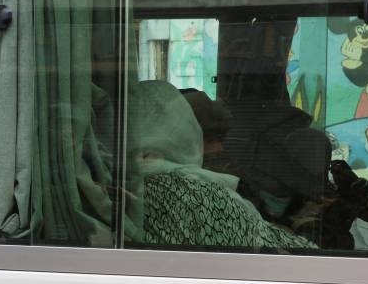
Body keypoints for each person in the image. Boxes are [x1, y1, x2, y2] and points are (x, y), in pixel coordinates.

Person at [129, 79, 315, 250]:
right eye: (211, 105)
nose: (223, 105)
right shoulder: (195, 192)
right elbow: (287, 253)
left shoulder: (121, 184)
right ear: (186, 126)